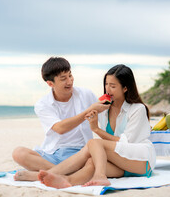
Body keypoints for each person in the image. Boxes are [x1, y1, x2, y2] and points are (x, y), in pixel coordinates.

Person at [15, 64, 156, 188]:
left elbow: (126, 143)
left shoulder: (137, 109)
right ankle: (67, 180)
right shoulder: (105, 110)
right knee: (91, 162)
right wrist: (93, 121)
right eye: (106, 84)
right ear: (50, 83)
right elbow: (60, 128)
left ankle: (99, 176)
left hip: (138, 161)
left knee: (93, 143)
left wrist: (96, 130)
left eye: (113, 86)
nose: (108, 90)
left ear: (125, 88)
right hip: (118, 163)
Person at [12, 57, 110, 172]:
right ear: (50, 83)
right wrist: (88, 111)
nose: (69, 81)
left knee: (94, 161)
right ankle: (61, 172)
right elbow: (60, 128)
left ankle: (56, 172)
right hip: (52, 154)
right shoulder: (43, 104)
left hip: (80, 153)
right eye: (63, 78)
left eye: (70, 75)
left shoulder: (86, 94)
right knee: (18, 153)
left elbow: (105, 116)